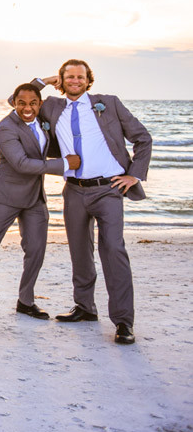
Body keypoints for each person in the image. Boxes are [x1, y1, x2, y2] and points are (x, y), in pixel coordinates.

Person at [26, 60, 151, 345]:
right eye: (68, 76)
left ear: (88, 79)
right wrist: (44, 80)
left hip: (108, 189)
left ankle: (123, 322)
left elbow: (143, 138)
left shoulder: (108, 103)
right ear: (62, 79)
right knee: (80, 251)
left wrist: (133, 175)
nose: (74, 81)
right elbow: (18, 100)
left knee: (114, 252)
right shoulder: (52, 107)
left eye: (79, 76)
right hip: (74, 190)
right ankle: (84, 308)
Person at [0, 84, 79, 321]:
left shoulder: (40, 120)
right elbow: (22, 164)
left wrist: (45, 80)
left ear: (40, 104)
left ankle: (26, 300)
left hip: (35, 197)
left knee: (36, 249)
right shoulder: (5, 127)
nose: (27, 107)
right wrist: (65, 164)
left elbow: (28, 92)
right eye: (21, 103)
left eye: (33, 103)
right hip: (7, 195)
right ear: (14, 103)